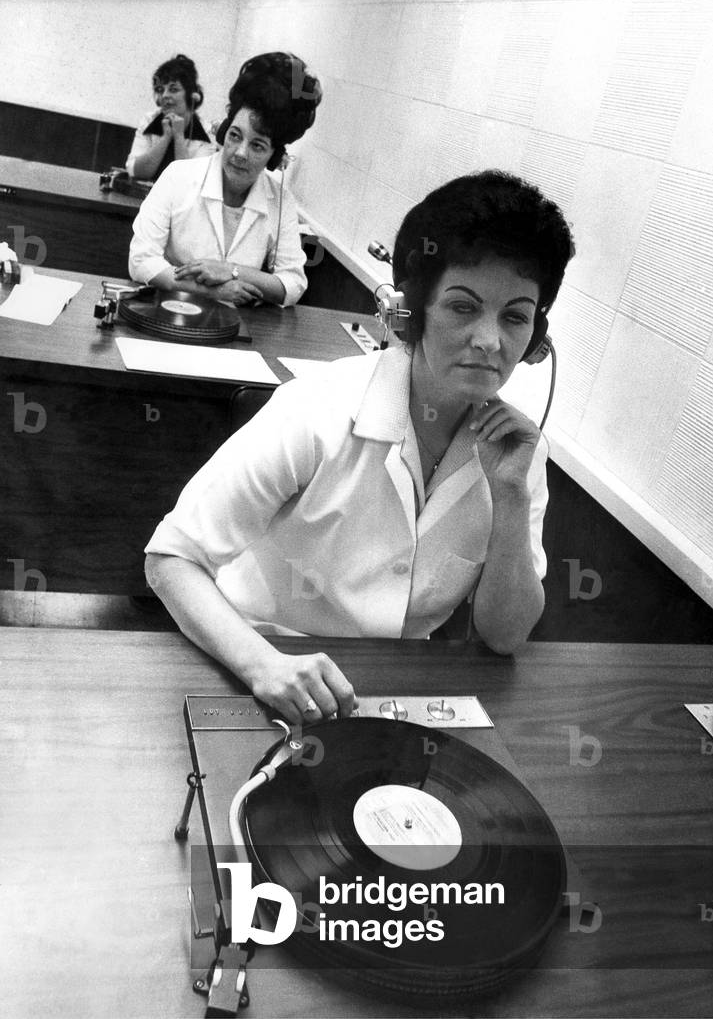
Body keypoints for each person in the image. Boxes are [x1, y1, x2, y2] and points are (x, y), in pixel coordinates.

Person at [145, 170, 575, 721]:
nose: (491, 341)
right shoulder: (318, 407)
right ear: (412, 314)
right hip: (254, 664)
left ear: (536, 339)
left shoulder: (517, 452)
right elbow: (171, 557)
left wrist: (511, 497)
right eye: (463, 307)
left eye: (515, 316)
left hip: (392, 695)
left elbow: (505, 635)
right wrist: (263, 665)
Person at [128, 52, 322, 307]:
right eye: (234, 136)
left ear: (274, 158)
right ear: (222, 133)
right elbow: (141, 261)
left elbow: (293, 284)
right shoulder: (178, 176)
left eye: (258, 145)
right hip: (170, 312)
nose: (240, 153)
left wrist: (231, 270)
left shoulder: (281, 199)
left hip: (235, 328)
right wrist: (210, 291)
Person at [126, 54, 214, 182]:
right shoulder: (149, 121)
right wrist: (166, 137)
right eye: (160, 90)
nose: (165, 95)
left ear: (191, 95)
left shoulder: (207, 133)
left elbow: (189, 182)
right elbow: (134, 171)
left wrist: (178, 136)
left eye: (173, 89)